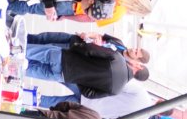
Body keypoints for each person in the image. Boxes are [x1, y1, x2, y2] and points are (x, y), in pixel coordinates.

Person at [20, 31, 151, 100]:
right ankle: (10, 65)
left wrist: (76, 48)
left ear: (138, 67)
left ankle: (11, 49)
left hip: (66, 58)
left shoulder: (118, 59)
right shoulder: (116, 89)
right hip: (65, 76)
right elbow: (89, 94)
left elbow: (90, 50)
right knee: (25, 69)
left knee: (25, 51)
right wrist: (79, 78)